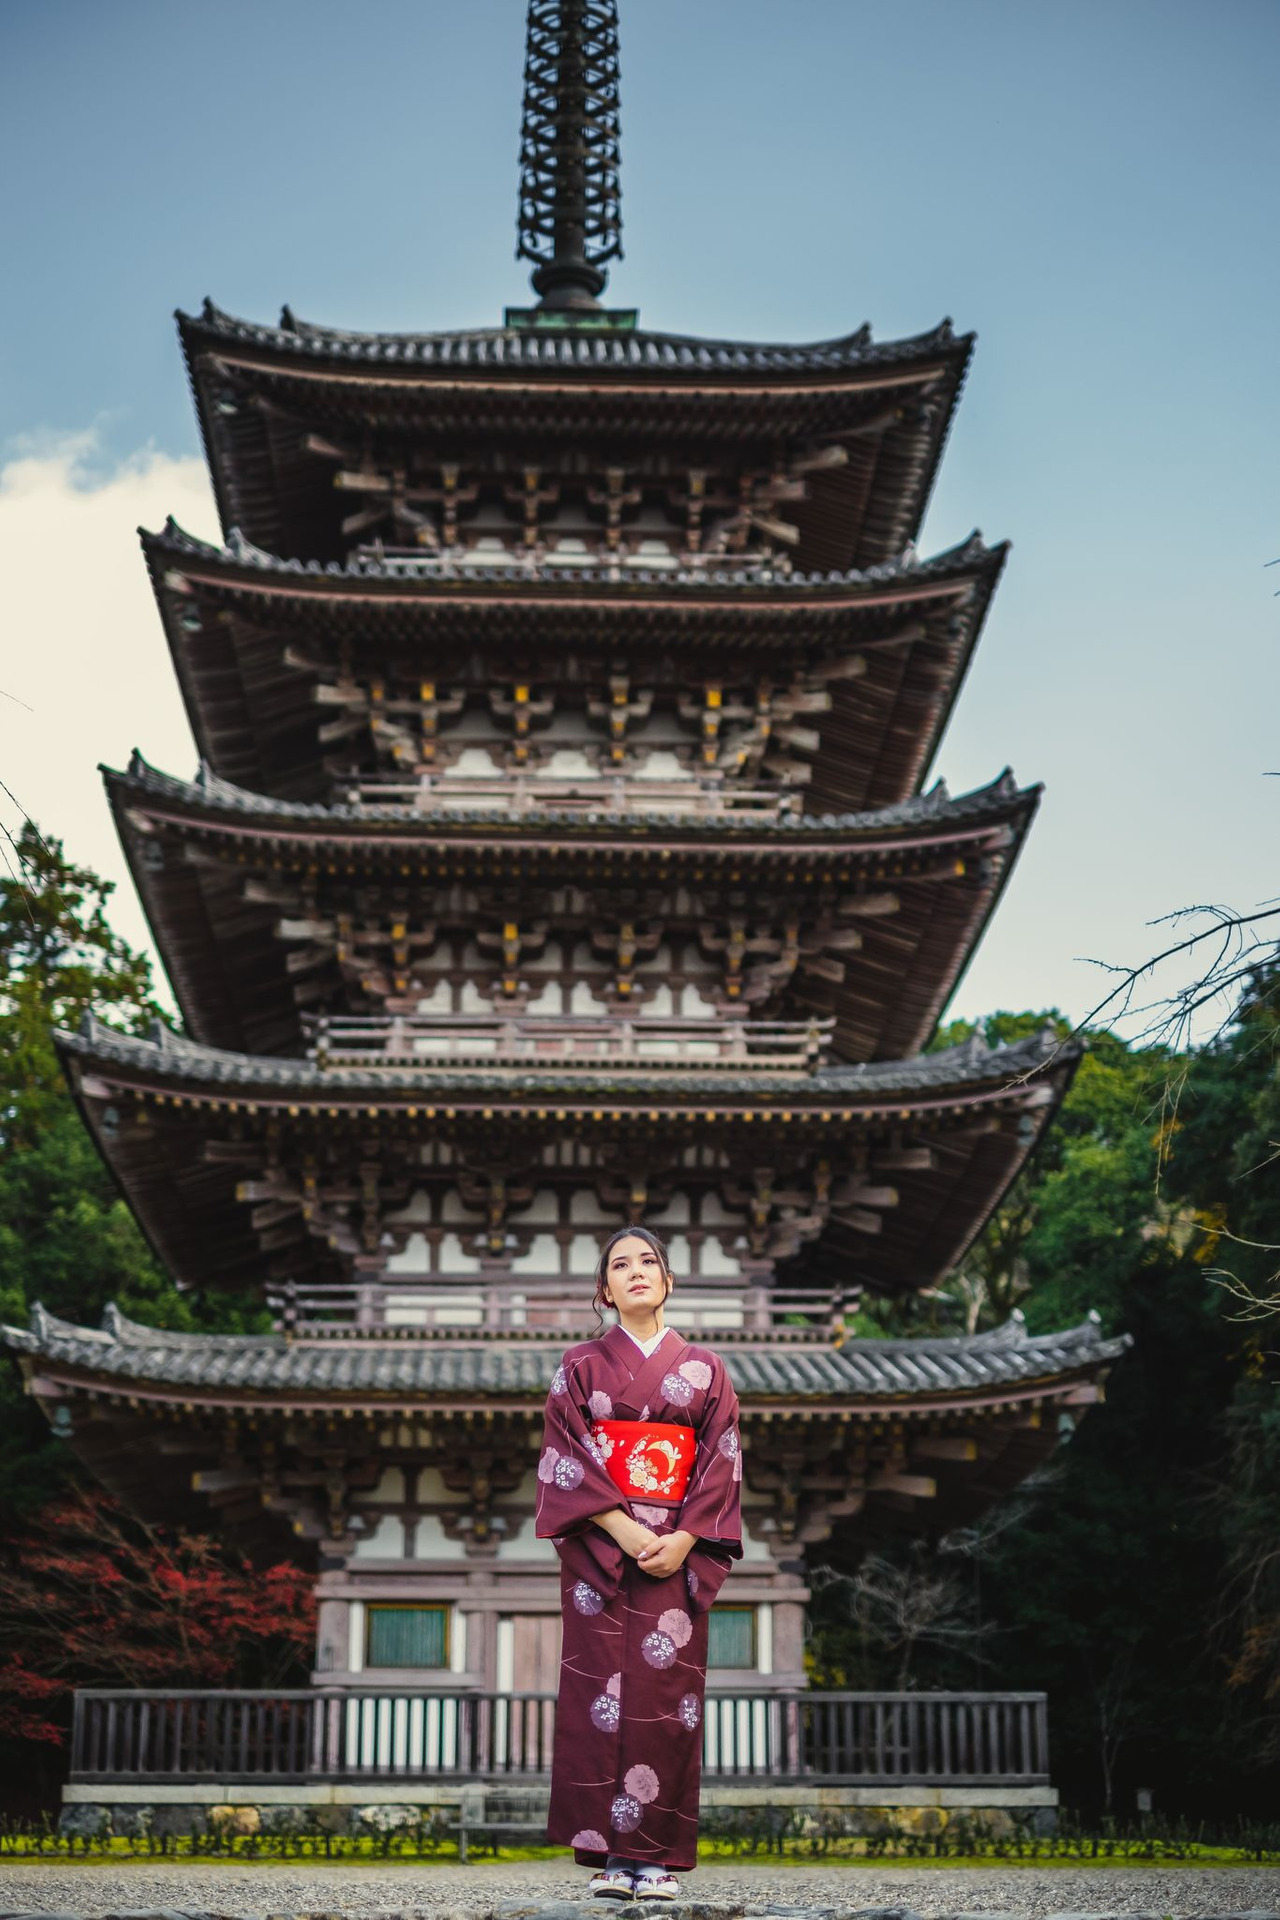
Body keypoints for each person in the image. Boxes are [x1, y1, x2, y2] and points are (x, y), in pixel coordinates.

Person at [535, 1226, 743, 1901]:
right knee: (599, 1699)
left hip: (676, 1557)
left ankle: (653, 1859)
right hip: (604, 1553)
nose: (635, 1273)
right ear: (605, 1290)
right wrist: (623, 1527)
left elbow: (720, 1461)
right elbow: (566, 1455)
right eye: (619, 1265)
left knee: (664, 1705)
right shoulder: (578, 1366)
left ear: (669, 1281)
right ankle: (611, 1861)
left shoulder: (707, 1369)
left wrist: (684, 1539)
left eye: (648, 1262)